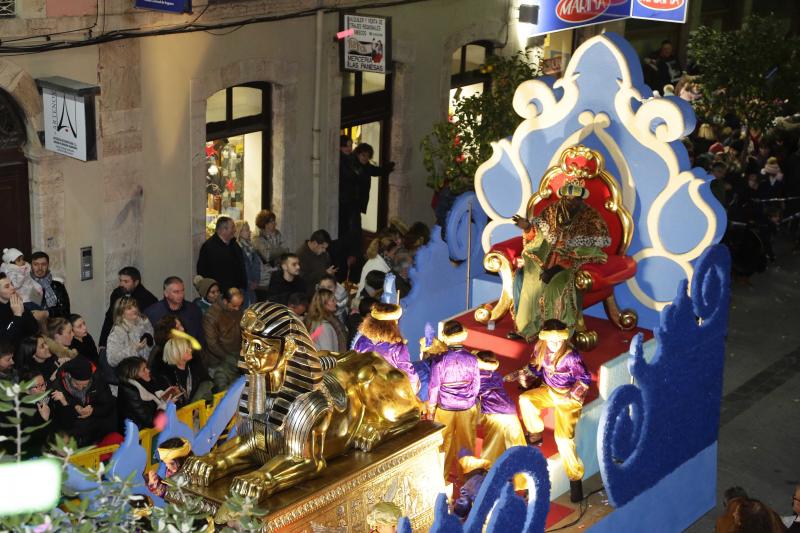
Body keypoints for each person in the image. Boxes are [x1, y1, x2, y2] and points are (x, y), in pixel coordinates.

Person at [510, 179, 610, 340]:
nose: (572, 203)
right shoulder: (551, 211)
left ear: (581, 200)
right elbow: (539, 238)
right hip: (546, 257)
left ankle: (556, 333)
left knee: (554, 286)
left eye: (576, 199)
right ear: (563, 198)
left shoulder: (591, 218)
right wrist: (528, 228)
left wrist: (556, 268)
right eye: (568, 199)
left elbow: (594, 246)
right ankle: (527, 330)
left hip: (571, 263)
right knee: (527, 277)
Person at [514, 319, 591, 503]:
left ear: (564, 340)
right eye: (551, 341)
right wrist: (522, 375)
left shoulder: (571, 357)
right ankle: (535, 433)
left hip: (568, 398)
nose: (555, 344)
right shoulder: (540, 349)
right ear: (544, 339)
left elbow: (585, 378)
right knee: (525, 400)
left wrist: (571, 395)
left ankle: (575, 478)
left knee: (563, 439)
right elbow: (536, 368)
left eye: (559, 341)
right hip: (549, 391)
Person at [427, 320, 480, 483]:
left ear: (446, 337)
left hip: (445, 408)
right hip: (466, 408)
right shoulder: (472, 359)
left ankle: (441, 480)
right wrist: (468, 400)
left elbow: (434, 387)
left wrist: (430, 409)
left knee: (443, 445)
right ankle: (468, 480)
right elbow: (476, 385)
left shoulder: (440, 361)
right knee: (467, 443)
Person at [351, 289, 418, 391]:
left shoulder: (361, 341)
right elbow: (408, 374)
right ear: (391, 324)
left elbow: (355, 366)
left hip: (366, 392)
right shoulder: (396, 346)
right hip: (388, 394)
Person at [50, 356, 116, 447]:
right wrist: (74, 407)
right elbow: (62, 419)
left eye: (85, 385)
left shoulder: (98, 380)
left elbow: (108, 404)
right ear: (68, 376)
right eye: (77, 384)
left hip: (96, 423)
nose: (81, 388)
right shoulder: (58, 387)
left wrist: (93, 410)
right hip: (74, 427)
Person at [474, 350, 526, 463]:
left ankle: (489, 472)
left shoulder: (474, 376)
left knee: (493, 447)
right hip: (510, 410)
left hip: (492, 411)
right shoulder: (496, 375)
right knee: (516, 444)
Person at [99, 267, 158, 348]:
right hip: (118, 338)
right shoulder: (117, 293)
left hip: (139, 342)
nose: (121, 284)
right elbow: (109, 317)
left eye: (126, 281)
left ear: (136, 282)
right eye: (120, 281)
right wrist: (102, 343)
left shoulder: (147, 298)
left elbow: (149, 325)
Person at [116, 356, 180, 431]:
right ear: (134, 375)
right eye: (143, 370)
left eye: (146, 367)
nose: (148, 370)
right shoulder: (130, 392)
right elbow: (150, 422)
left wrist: (168, 395)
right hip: (139, 435)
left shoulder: (144, 382)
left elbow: (155, 402)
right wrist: (167, 406)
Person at [202, 287, 244, 391]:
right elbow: (212, 344)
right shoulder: (211, 315)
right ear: (225, 301)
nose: (237, 309)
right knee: (224, 394)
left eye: (240, 305)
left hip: (236, 359)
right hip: (219, 362)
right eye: (234, 306)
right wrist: (230, 359)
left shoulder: (236, 309)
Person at [144, 277, 204, 348]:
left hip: (191, 353)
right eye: (176, 292)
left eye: (182, 291)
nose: (181, 295)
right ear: (166, 293)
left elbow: (201, 337)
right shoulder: (153, 312)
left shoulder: (194, 310)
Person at [159, 333, 213, 406]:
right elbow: (172, 405)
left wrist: (199, 404)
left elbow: (207, 382)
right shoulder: (168, 377)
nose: (190, 350)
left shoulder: (195, 364)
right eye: (186, 350)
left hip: (200, 407)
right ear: (177, 354)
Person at [196, 216, 246, 293]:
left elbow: (241, 265)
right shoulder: (209, 247)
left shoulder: (234, 244)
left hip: (236, 291)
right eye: (232, 227)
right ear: (223, 230)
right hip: (219, 294)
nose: (235, 230)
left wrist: (242, 285)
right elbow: (202, 271)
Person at [106, 296, 155, 368]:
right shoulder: (117, 332)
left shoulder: (145, 324)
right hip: (129, 372)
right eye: (129, 308)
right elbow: (112, 360)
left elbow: (152, 348)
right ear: (121, 313)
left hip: (147, 369)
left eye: (135, 306)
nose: (134, 309)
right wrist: (134, 349)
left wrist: (150, 343)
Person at [252, 209, 288, 300]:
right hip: (264, 278)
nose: (275, 223)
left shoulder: (277, 234)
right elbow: (267, 256)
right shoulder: (257, 238)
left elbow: (286, 251)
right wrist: (281, 250)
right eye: (272, 221)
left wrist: (280, 251)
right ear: (265, 224)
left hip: (277, 275)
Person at [19, 370, 53, 457]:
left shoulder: (45, 399)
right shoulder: (22, 409)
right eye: (38, 386)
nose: (43, 388)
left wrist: (65, 404)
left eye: (44, 384)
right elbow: (32, 440)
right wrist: (44, 419)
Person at [0, 274, 39, 348]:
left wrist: (22, 310)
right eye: (7, 286)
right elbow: (5, 341)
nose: (13, 288)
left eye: (11, 284)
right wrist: (17, 315)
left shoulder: (15, 303)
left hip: (26, 346)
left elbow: (34, 329)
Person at [30, 251, 70, 318]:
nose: (40, 268)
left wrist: (48, 313)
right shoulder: (26, 285)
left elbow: (65, 311)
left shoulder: (57, 285)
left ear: (48, 265)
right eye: (36, 264)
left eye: (43, 264)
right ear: (31, 266)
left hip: (56, 325)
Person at [296, 229, 336, 294]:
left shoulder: (324, 254)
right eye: (322, 247)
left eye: (326, 248)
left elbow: (327, 267)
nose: (324, 251)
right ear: (314, 243)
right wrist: (324, 273)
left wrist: (330, 273)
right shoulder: (301, 255)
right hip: (309, 294)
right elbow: (303, 279)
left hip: (324, 290)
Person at [235, 220, 261, 306]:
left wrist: (256, 281)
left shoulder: (251, 246)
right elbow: (240, 268)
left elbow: (257, 264)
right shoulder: (237, 248)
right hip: (243, 285)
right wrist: (248, 282)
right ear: (239, 232)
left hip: (252, 285)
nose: (249, 232)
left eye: (248, 229)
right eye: (246, 230)